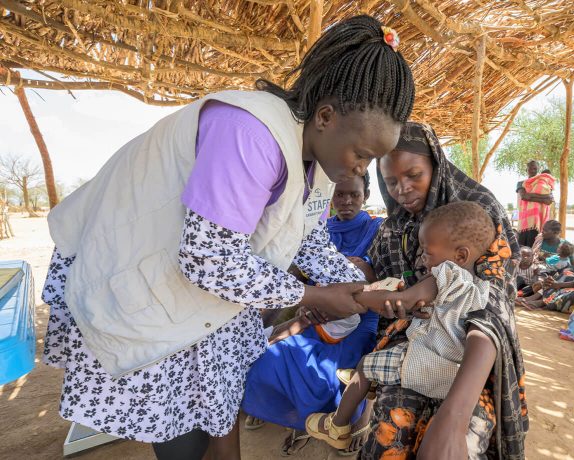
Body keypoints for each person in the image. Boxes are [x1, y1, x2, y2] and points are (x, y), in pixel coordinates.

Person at [41, 15, 416, 460]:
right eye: (361, 155)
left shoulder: (317, 165)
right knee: (182, 428)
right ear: (326, 116)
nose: (360, 169)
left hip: (197, 294)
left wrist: (367, 292)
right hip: (140, 276)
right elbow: (207, 256)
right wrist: (311, 293)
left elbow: (307, 241)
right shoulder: (249, 132)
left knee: (213, 412)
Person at [363, 122, 527, 459]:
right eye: (391, 181)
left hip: (465, 356)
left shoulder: (477, 210)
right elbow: (382, 273)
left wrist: (454, 418)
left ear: (436, 167)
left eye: (413, 175)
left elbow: (492, 300)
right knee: (393, 425)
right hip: (414, 343)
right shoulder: (395, 224)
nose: (402, 189)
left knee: (458, 439)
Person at [305, 202, 496, 450]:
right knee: (380, 359)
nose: (422, 259)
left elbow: (401, 301)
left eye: (428, 252)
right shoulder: (477, 285)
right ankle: (369, 382)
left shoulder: (447, 274)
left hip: (426, 364)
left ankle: (337, 426)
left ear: (460, 256)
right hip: (450, 370)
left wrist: (357, 296)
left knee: (364, 365)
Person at [240, 173, 384, 456]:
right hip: (315, 308)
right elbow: (301, 276)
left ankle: (350, 420)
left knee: (337, 368)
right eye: (339, 195)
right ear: (330, 198)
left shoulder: (378, 230)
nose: (346, 201)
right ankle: (289, 414)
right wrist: (307, 307)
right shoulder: (318, 228)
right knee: (270, 357)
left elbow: (385, 277)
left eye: (354, 194)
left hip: (363, 316)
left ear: (365, 195)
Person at [516, 161, 555, 246]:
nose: (533, 170)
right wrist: (544, 197)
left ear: (538, 169)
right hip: (525, 222)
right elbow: (524, 197)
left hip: (539, 221)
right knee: (522, 248)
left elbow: (549, 201)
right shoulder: (521, 183)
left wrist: (530, 196)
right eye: (530, 168)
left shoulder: (543, 183)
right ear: (526, 169)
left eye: (535, 168)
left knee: (535, 248)